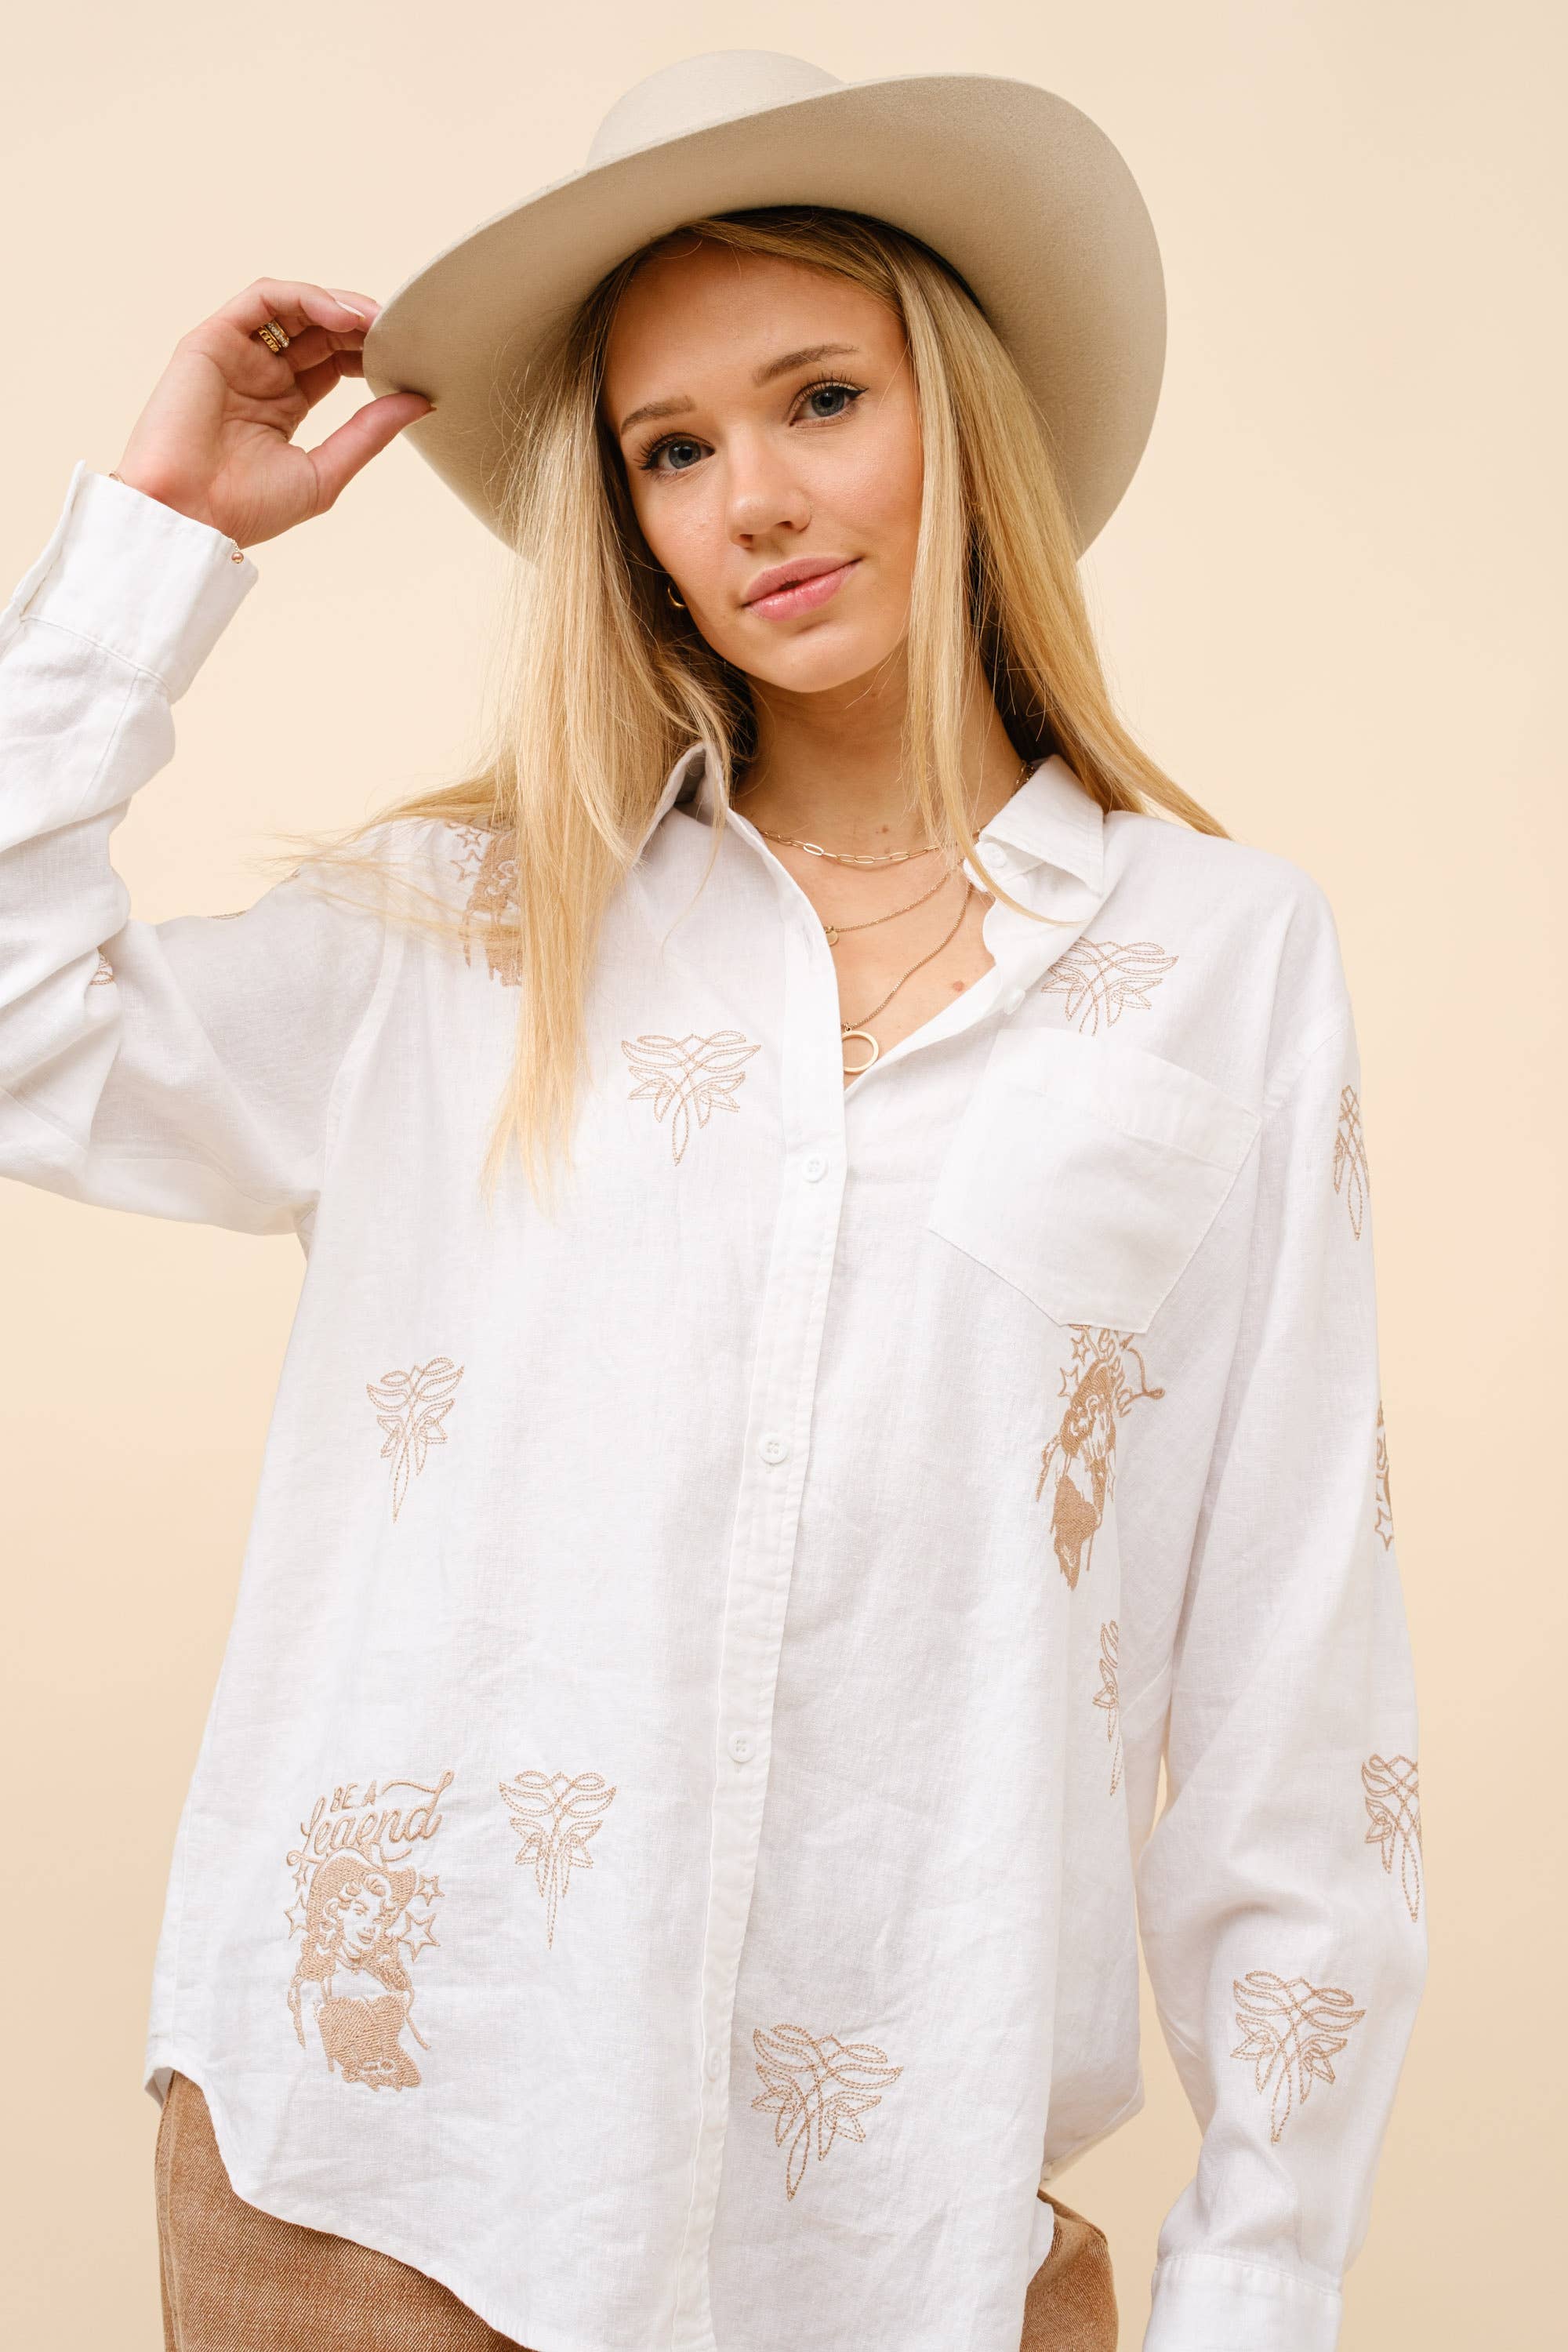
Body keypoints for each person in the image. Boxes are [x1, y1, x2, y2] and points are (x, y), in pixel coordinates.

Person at [0, 47, 1426, 2352]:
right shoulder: (462, 930)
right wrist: (161, 545)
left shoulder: (1219, 963)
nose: (753, 497)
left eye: (819, 400)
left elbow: (1290, 1681)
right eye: (671, 450)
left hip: (900, 2256)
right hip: (373, 2201)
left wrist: (1258, 2282)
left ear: (958, 409)